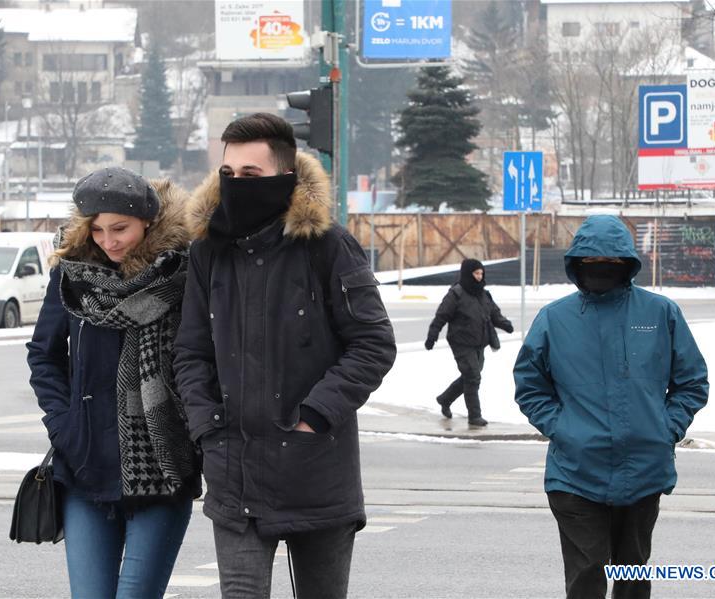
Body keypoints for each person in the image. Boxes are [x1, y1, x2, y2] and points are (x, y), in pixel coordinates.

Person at [173, 113, 396, 599]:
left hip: (317, 473)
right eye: (227, 175)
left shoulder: (329, 247)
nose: (236, 186)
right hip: (235, 478)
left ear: (285, 177)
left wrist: (315, 415)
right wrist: (207, 424)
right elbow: (190, 352)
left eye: (250, 176)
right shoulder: (207, 252)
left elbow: (373, 343)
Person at [26, 167, 201, 598]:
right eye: (99, 230)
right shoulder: (72, 280)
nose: (109, 240)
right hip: (85, 465)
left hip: (161, 469)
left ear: (148, 219)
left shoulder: (183, 276)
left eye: (120, 228)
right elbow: (44, 356)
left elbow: (202, 361)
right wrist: (64, 425)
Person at [513, 215, 709, 599]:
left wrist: (664, 428)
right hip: (575, 475)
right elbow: (529, 385)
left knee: (632, 577)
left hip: (644, 472)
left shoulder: (660, 314)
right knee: (587, 576)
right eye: (590, 263)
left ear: (627, 264)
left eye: (611, 263)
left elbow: (692, 381)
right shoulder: (555, 319)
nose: (601, 270)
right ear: (576, 265)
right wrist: (564, 427)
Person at [425, 258, 513, 425]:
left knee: (471, 376)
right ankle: (474, 416)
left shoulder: (484, 294)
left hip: (480, 343)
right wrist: (432, 336)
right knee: (472, 377)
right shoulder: (456, 294)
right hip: (461, 342)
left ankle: (445, 399)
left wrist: (505, 324)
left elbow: (494, 313)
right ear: (467, 273)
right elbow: (441, 316)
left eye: (481, 273)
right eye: (476, 273)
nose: (479, 277)